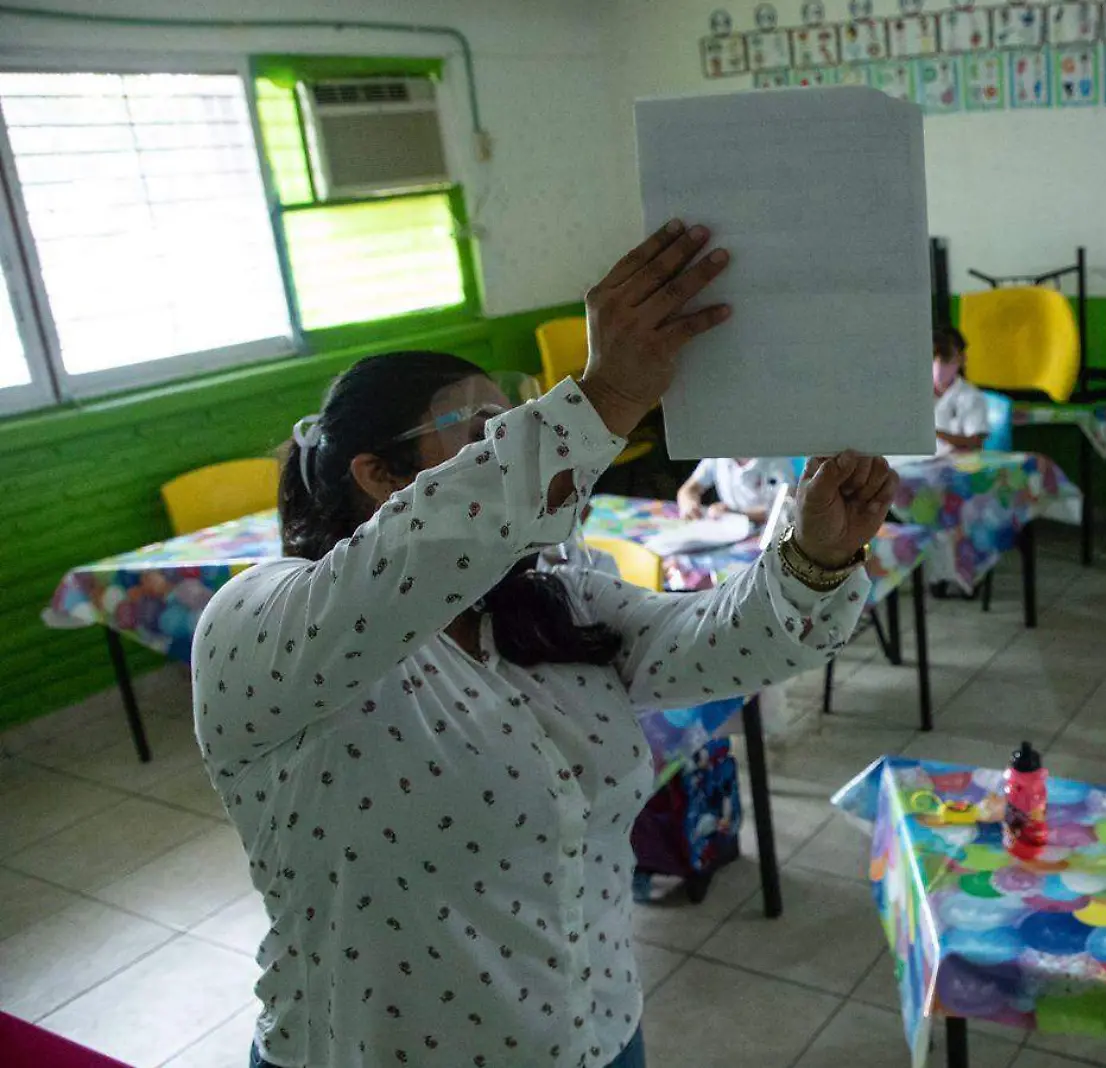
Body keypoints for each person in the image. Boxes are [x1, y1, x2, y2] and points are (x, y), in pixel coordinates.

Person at [195, 219, 899, 1068]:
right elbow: (413, 554)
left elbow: (718, 641)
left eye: (515, 419)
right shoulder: (263, 625)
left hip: (596, 1034)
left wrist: (815, 555)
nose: (514, 437)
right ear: (378, 476)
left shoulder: (540, 603)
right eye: (481, 429)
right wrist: (601, 398)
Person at [675, 455, 796, 524]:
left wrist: (735, 514)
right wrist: (688, 504)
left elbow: (783, 511)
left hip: (761, 533)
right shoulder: (717, 457)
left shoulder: (777, 461)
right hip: (727, 530)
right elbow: (689, 489)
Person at [931, 326, 990, 454]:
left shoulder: (971, 397)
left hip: (952, 466)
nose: (938, 365)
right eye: (933, 358)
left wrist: (936, 435)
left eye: (945, 359)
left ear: (962, 359)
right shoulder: (916, 394)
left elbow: (976, 443)